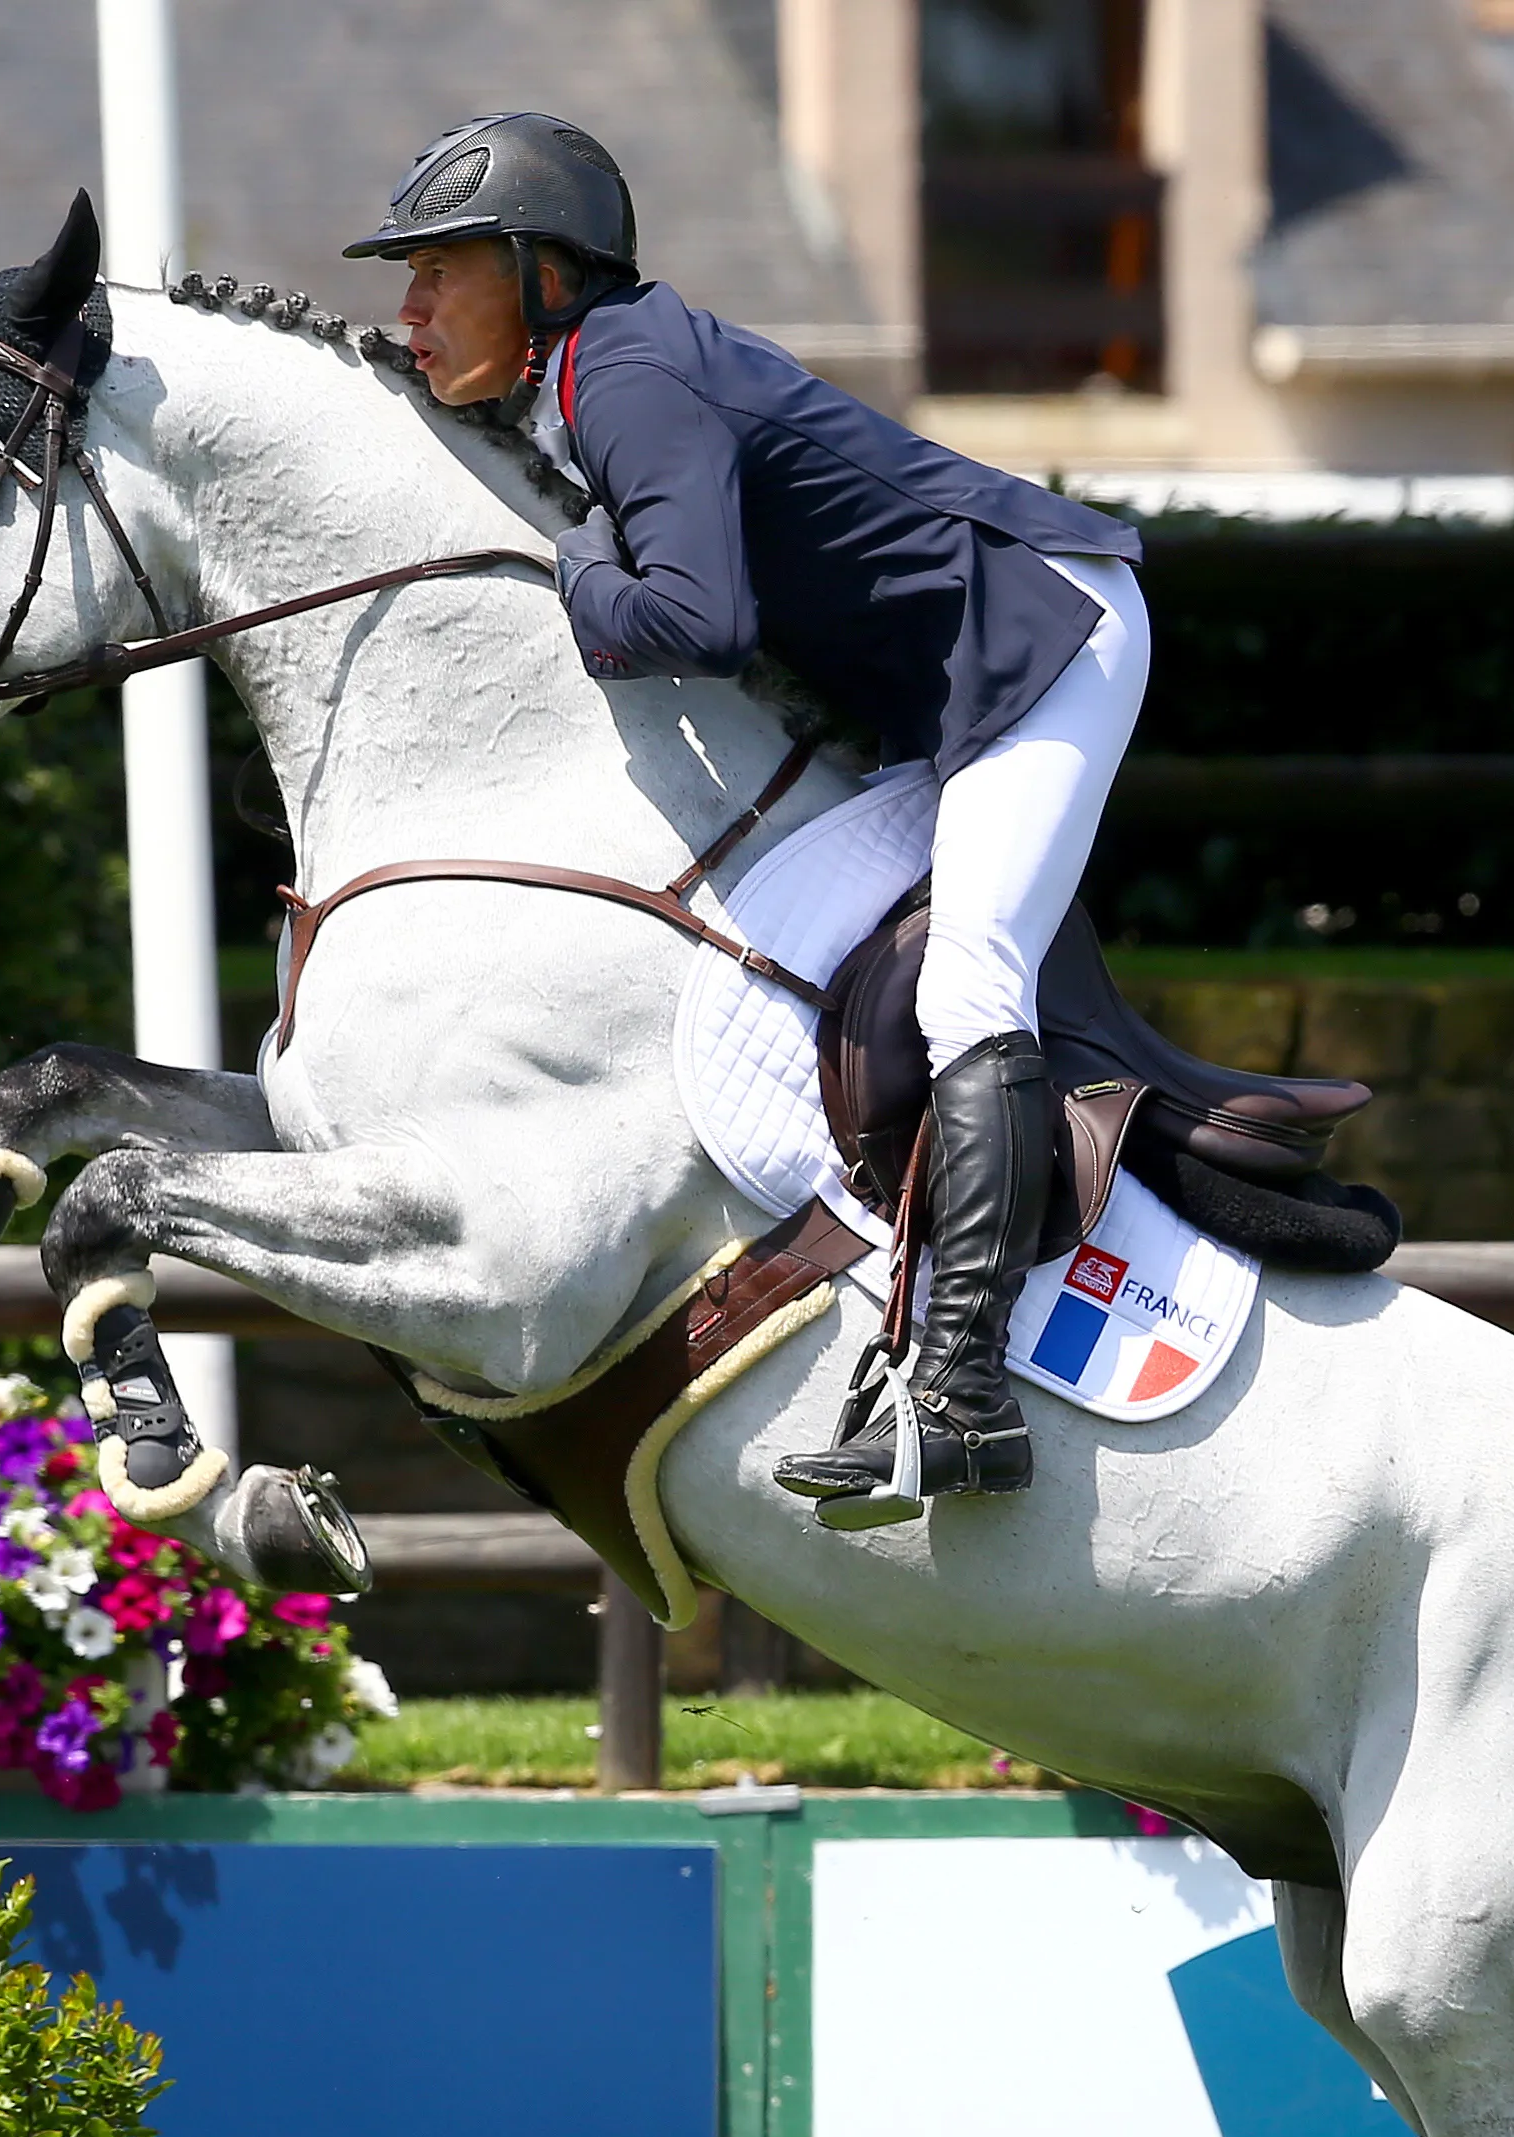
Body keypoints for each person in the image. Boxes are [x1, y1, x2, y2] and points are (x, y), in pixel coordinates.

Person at [347, 111, 1149, 1530]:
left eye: (437, 272)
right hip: (945, 677)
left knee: (971, 979)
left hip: (1047, 640)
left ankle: (963, 1397)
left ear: (541, 277)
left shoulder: (629, 377)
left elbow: (696, 622)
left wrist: (573, 575)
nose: (408, 303)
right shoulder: (590, 374)